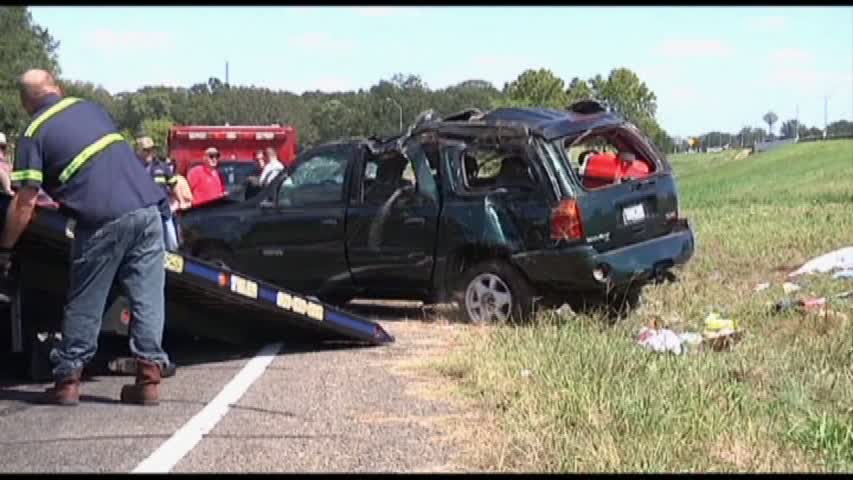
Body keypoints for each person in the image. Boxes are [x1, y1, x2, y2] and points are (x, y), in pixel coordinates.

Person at [0, 69, 171, 406]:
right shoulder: (92, 108)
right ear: (57, 88)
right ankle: (149, 378)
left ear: (25, 103)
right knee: (148, 297)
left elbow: (25, 201)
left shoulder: (34, 132)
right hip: (148, 210)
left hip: (102, 219)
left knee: (85, 300)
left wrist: (4, 248)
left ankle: (67, 381)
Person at [136, 137, 180, 250]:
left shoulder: (162, 166)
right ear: (139, 151)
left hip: (163, 211)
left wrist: (178, 202)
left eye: (152, 150)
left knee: (172, 244)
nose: (150, 153)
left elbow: (174, 185)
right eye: (146, 150)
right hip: (143, 214)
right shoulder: (133, 167)